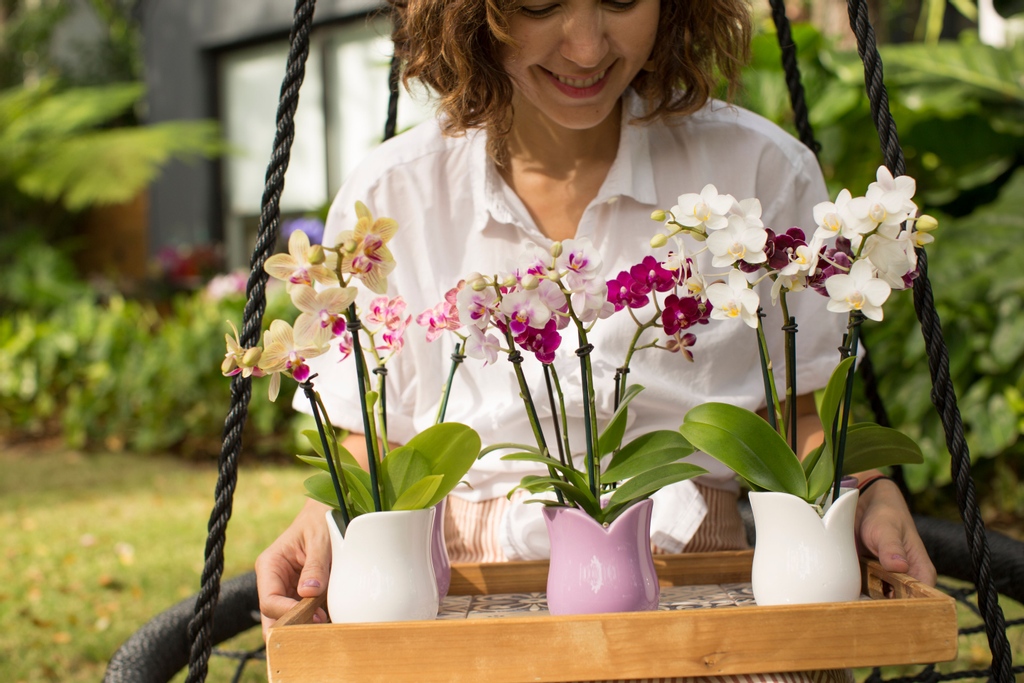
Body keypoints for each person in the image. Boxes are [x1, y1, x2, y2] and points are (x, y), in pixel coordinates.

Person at [256, 0, 936, 678]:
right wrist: (330, 515)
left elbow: (800, 414)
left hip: (707, 600)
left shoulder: (756, 170)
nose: (585, 47)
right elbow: (379, 438)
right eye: (538, 3)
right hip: (469, 611)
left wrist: (862, 491)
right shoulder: (397, 196)